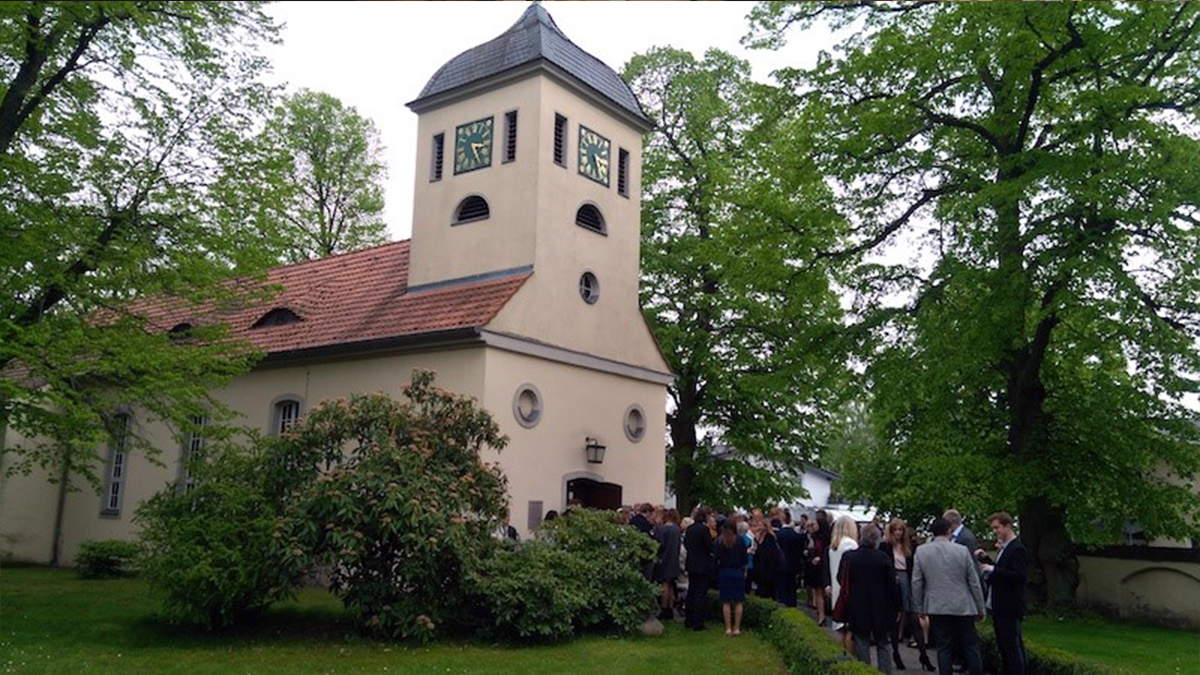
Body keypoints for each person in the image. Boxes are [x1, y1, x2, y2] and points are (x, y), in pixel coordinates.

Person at [912, 517, 986, 675]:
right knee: (970, 646)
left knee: (943, 647)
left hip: (937, 605)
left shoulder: (922, 551)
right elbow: (973, 582)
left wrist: (919, 607)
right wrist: (980, 608)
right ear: (949, 531)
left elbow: (916, 582)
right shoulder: (962, 550)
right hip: (963, 605)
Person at [840, 525, 899, 674]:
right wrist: (897, 606)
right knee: (883, 642)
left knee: (861, 641)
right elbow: (892, 584)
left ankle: (864, 671)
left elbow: (841, 578)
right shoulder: (883, 558)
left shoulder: (849, 557)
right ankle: (884, 672)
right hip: (882, 605)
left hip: (857, 605)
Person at [980, 512, 1028, 675]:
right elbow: (1002, 570)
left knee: (1012, 647)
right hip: (1000, 605)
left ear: (1008, 526)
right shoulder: (1005, 547)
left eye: (997, 527)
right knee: (1005, 647)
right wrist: (986, 559)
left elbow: (1019, 575)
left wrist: (993, 569)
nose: (995, 531)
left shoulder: (1017, 549)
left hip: (1009, 605)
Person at [884, 518, 934, 671]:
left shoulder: (911, 546)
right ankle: (896, 654)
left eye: (900, 530)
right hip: (893, 584)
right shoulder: (885, 547)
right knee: (895, 620)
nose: (898, 533)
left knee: (914, 619)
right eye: (895, 530)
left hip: (909, 581)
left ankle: (923, 654)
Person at [829, 515, 860, 653]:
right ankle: (850, 658)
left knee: (839, 627)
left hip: (836, 589)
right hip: (848, 589)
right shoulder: (851, 545)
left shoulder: (833, 546)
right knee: (850, 629)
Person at [684, 506, 715, 631]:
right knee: (701, 594)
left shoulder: (690, 529)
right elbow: (709, 546)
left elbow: (686, 544)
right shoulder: (704, 529)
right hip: (702, 565)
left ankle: (689, 619)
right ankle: (698, 622)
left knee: (691, 591)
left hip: (691, 563)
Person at [716, 519, 749, 637]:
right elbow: (745, 558)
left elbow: (717, 558)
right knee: (739, 601)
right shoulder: (740, 541)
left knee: (726, 602)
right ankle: (737, 628)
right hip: (738, 572)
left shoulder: (720, 541)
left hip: (724, 571)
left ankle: (728, 628)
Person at [654, 508, 683, 621]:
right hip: (674, 559)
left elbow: (659, 545)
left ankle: (664, 608)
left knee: (664, 584)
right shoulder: (677, 529)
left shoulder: (662, 529)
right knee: (671, 584)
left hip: (664, 559)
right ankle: (670, 608)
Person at [775, 513, 805, 607]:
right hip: (793, 564)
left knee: (782, 585)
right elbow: (800, 551)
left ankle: (783, 602)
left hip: (781, 564)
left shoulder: (778, 535)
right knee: (792, 586)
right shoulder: (796, 535)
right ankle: (792, 603)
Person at [803, 518, 828, 624]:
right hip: (814, 566)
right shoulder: (811, 538)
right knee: (818, 591)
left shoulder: (823, 538)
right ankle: (821, 614)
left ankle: (822, 613)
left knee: (821, 591)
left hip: (821, 566)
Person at [753, 518, 782, 600]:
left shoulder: (770, 538)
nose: (758, 527)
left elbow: (770, 553)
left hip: (768, 568)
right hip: (760, 567)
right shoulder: (758, 537)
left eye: (760, 525)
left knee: (769, 591)